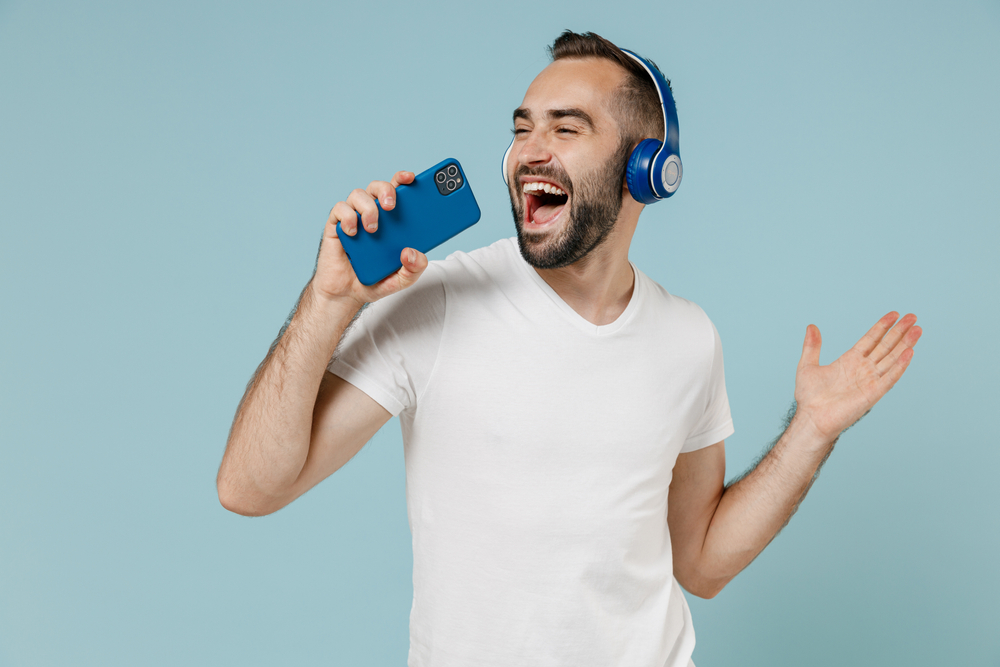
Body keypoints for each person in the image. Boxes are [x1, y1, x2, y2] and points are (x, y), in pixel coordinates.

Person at [217, 30, 921, 667]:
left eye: (566, 127)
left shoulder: (688, 337)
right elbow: (249, 487)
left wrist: (813, 429)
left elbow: (701, 562)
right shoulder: (435, 300)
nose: (529, 151)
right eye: (522, 129)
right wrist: (327, 302)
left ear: (647, 168)